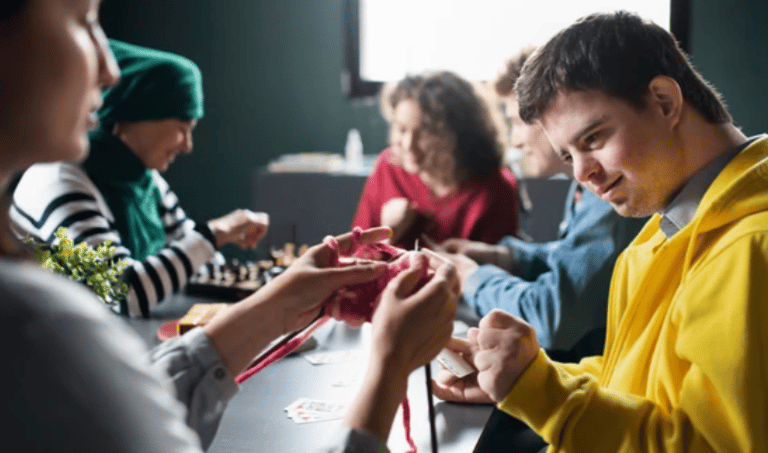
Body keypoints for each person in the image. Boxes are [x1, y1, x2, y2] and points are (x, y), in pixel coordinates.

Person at [0, 1, 459, 452]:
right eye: (83, 21)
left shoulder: (143, 186)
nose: (109, 70)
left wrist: (276, 303)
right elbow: (130, 289)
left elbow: (139, 413)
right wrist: (389, 365)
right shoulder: (33, 323)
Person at [434, 11, 768, 452]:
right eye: (568, 155)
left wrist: (544, 395)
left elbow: (710, 445)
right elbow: (637, 378)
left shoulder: (750, 247)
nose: (583, 174)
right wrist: (529, 378)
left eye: (592, 139)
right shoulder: (665, 227)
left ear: (665, 102)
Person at [11, 38, 270, 318]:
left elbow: (195, 264)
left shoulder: (146, 180)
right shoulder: (60, 180)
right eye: (182, 127)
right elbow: (122, 293)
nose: (187, 146)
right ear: (134, 116)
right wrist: (217, 233)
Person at [440, 47, 647, 359]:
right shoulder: (582, 187)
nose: (516, 141)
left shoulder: (609, 192)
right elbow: (576, 260)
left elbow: (552, 317)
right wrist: (506, 257)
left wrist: (471, 277)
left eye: (519, 123)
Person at [352, 71, 520, 250]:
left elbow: (495, 273)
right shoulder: (388, 167)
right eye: (401, 129)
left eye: (425, 132)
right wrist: (386, 234)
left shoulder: (494, 189)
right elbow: (355, 256)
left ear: (457, 134)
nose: (409, 144)